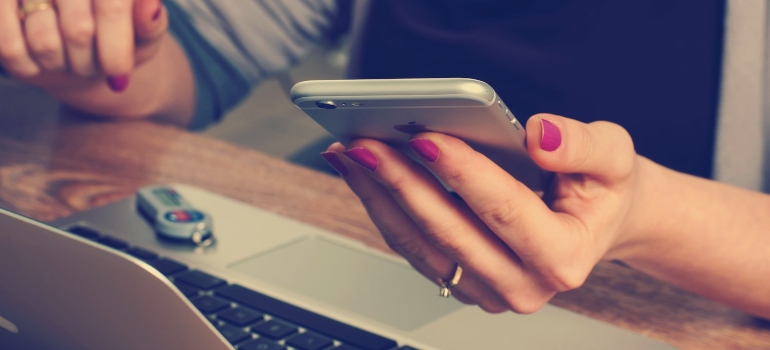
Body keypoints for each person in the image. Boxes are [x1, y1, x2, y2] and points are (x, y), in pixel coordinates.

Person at [1, 0, 768, 319]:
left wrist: (644, 215)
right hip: (367, 262)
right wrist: (101, 50)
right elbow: (193, 63)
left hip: (671, 313)